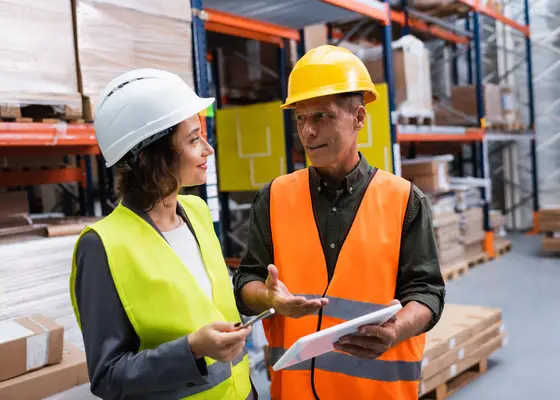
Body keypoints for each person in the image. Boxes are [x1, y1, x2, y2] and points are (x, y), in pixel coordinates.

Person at [233, 45, 446, 399]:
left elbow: (427, 292)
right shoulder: (273, 198)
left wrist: (395, 330)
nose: (308, 132)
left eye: (322, 116)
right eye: (300, 118)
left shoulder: (404, 200)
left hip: (375, 392)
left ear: (359, 118)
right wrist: (267, 297)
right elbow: (246, 281)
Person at [69, 69, 255, 400]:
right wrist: (192, 349)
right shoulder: (102, 245)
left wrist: (262, 296)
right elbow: (108, 376)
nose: (207, 150)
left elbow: (209, 303)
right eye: (194, 139)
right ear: (151, 157)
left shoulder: (196, 212)